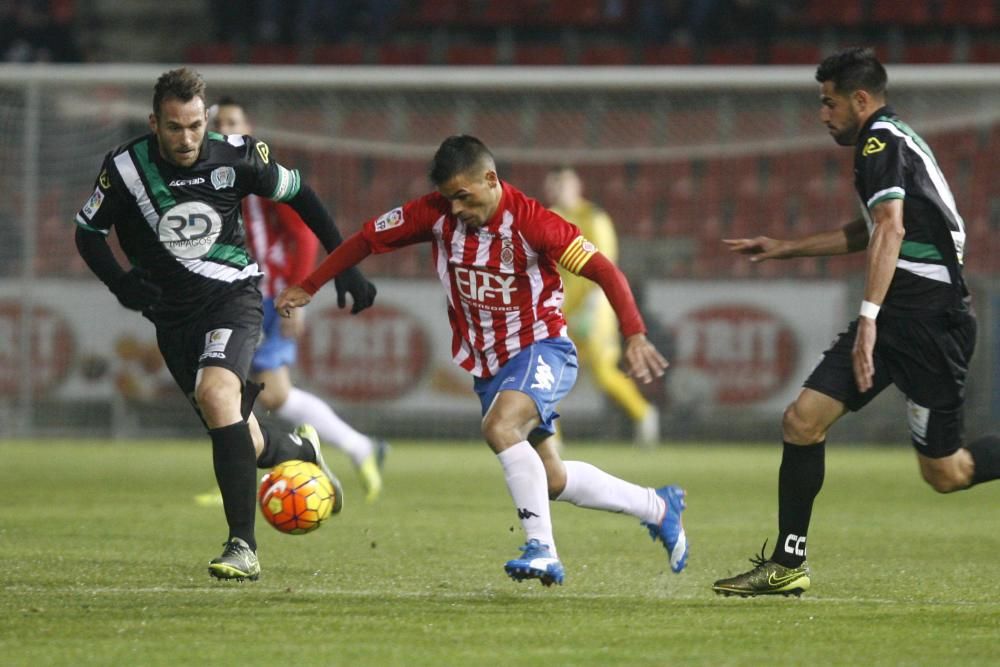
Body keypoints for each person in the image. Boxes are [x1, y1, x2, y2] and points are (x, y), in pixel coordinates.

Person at [277, 135, 689, 586]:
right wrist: (311, 284)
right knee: (549, 479)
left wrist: (633, 333)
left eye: (463, 197)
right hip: (490, 366)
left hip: (541, 347)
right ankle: (658, 507)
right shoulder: (433, 214)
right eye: (449, 198)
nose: (455, 209)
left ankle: (543, 551)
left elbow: (604, 270)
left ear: (490, 180)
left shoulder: (536, 224)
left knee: (499, 428)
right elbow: (366, 240)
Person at [714, 47, 1000, 597]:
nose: (822, 115)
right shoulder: (886, 143)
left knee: (947, 473)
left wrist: (867, 319)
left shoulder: (879, 141)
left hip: (928, 321)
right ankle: (786, 562)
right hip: (899, 315)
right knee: (802, 421)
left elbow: (889, 228)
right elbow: (872, 228)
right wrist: (787, 248)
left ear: (860, 99)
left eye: (828, 103)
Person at [73, 67, 377, 582]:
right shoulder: (124, 169)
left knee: (217, 396)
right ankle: (299, 450)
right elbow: (88, 232)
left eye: (195, 125)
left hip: (232, 299)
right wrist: (120, 283)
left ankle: (243, 545)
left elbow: (301, 193)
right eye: (174, 127)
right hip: (170, 319)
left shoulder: (237, 154)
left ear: (205, 118)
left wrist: (342, 263)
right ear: (154, 123)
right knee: (240, 433)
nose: (187, 138)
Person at [211, 97, 387, 504]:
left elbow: (304, 233)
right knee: (256, 391)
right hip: (237, 293)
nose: (226, 128)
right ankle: (360, 447)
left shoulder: (260, 173)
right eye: (219, 123)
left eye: (233, 121)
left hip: (268, 296)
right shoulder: (212, 176)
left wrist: (298, 291)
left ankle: (245, 475)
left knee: (245, 389)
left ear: (249, 125)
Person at [544, 165, 660, 446]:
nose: (558, 190)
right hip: (560, 310)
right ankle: (551, 436)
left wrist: (592, 306)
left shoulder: (594, 218)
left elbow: (605, 265)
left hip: (596, 312)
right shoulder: (551, 217)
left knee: (604, 373)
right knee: (548, 371)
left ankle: (644, 413)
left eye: (563, 184)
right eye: (555, 185)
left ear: (576, 187)